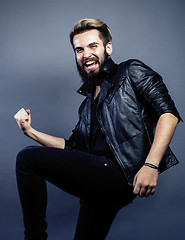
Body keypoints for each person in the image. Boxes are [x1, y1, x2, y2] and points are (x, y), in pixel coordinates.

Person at [14, 18, 181, 240]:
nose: (86, 54)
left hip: (118, 173)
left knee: (27, 159)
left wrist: (151, 165)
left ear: (107, 48)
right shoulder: (87, 105)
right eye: (79, 49)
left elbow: (168, 114)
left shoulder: (130, 71)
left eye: (93, 46)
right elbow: (71, 147)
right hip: (99, 183)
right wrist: (30, 132)